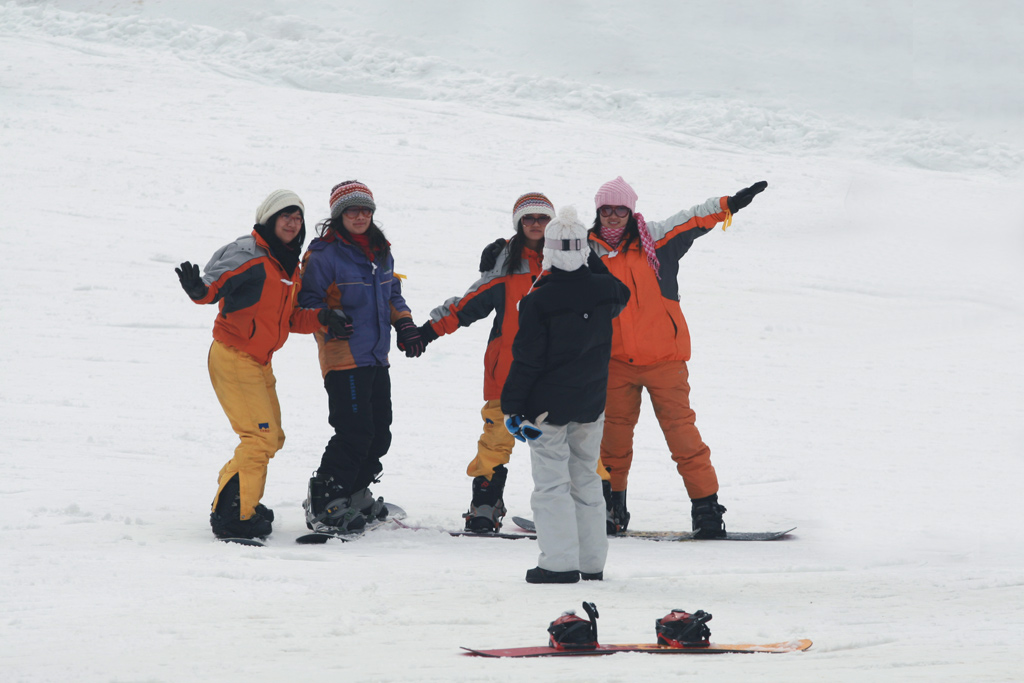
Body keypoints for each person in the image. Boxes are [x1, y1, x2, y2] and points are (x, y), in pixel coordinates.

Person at [417, 192, 614, 533]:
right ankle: (485, 505)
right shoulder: (505, 267)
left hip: (559, 377)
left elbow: (609, 300)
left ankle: (599, 508)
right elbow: (468, 304)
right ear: (518, 224)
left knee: (577, 442)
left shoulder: (570, 263)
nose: (535, 225)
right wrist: (427, 331)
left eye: (542, 219)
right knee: (496, 440)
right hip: (508, 373)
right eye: (528, 219)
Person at [589, 176, 768, 538]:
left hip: (665, 361)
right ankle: (610, 507)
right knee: (612, 441)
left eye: (619, 210)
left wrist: (728, 204)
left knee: (683, 438)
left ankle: (706, 509)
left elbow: (693, 218)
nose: (611, 217)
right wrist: (505, 246)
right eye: (605, 210)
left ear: (631, 210)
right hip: (614, 363)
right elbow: (544, 248)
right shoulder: (585, 251)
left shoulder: (656, 239)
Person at [175, 190, 344, 540]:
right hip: (234, 356)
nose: (292, 223)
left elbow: (290, 318)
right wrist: (197, 291)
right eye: (285, 216)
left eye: (297, 218)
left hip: (259, 361)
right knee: (259, 438)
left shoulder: (287, 266)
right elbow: (212, 288)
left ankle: (235, 502)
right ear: (269, 218)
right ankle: (233, 517)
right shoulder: (248, 255)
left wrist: (324, 318)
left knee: (272, 437)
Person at [501, 205, 630, 583]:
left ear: (549, 251)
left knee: (552, 485)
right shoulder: (605, 288)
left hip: (546, 409)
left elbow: (526, 360)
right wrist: (593, 263)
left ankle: (558, 563)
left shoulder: (539, 299)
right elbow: (620, 292)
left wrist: (512, 407)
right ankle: (592, 562)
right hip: (590, 403)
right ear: (584, 251)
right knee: (587, 479)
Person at [297, 180, 426, 535]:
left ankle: (353, 494)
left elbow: (392, 293)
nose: (360, 216)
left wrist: (406, 325)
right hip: (343, 356)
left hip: (376, 356)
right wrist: (328, 318)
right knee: (354, 432)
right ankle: (325, 499)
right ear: (339, 215)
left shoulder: (380, 251)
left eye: (366, 210)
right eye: (352, 210)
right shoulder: (323, 255)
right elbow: (306, 302)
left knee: (379, 432)